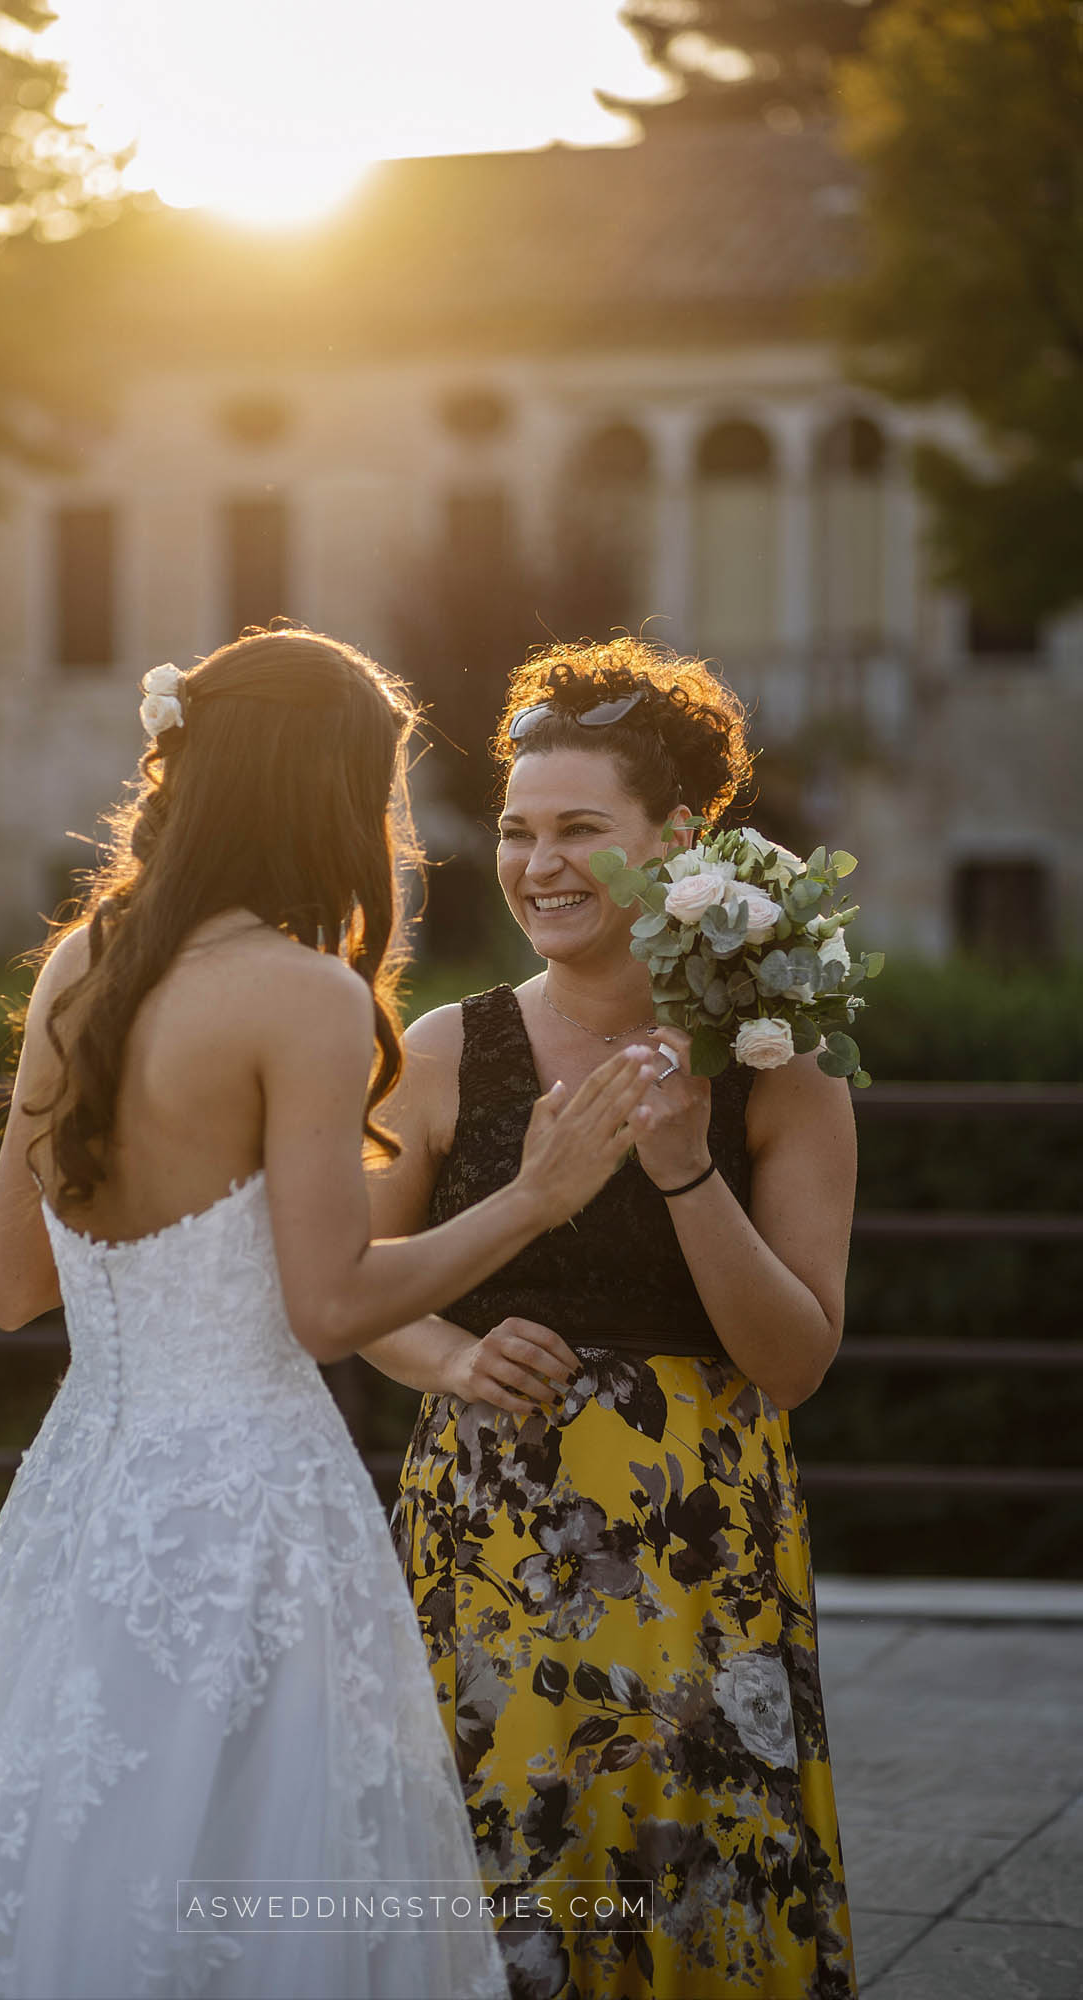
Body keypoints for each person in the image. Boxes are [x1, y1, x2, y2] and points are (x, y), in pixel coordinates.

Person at [0, 629, 653, 2000]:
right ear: (322, 793)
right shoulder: (305, 996)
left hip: (85, 1496)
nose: (392, 830)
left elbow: (11, 1287)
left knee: (61, 1847)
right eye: (378, 791)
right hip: (252, 1510)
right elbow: (331, 1307)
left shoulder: (79, 965)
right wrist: (534, 1198)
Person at [366, 638, 860, 2000]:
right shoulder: (442, 1052)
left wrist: (686, 1167)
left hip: (698, 1548)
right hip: (489, 1533)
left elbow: (795, 1361)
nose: (539, 864)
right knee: (494, 1882)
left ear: (677, 843)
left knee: (689, 1881)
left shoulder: (780, 1064)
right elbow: (354, 1287)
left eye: (580, 828)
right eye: (517, 831)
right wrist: (455, 1352)